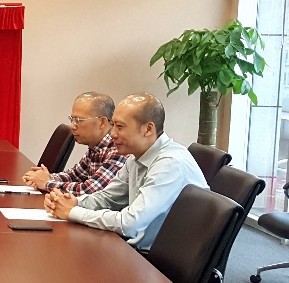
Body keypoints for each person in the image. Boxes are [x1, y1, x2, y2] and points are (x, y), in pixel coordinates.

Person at [45, 93, 208, 250]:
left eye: (120, 127)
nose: (113, 134)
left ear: (148, 129)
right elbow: (108, 198)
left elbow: (130, 224)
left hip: (155, 260)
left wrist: (73, 212)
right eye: (113, 125)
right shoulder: (136, 157)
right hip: (137, 250)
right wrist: (75, 202)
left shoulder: (170, 164)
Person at [21, 92, 129, 195]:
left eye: (79, 120)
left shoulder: (118, 148)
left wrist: (47, 183)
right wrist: (45, 177)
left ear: (102, 122)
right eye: (72, 119)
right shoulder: (96, 147)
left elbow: (90, 191)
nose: (73, 126)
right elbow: (74, 175)